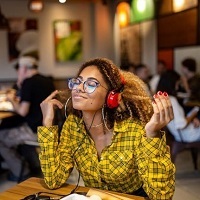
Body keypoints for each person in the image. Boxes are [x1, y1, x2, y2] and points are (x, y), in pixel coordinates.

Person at [38, 58, 175, 199]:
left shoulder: (133, 129)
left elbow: (162, 196)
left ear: (112, 96)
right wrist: (47, 123)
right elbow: (53, 179)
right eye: (77, 82)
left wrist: (152, 135)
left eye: (91, 84)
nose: (78, 88)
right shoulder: (72, 125)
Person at [0, 56, 55, 181]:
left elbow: (23, 111)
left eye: (19, 68)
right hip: (48, 129)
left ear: (24, 68)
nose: (18, 71)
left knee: (0, 137)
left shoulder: (28, 82)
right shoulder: (47, 80)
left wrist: (11, 99)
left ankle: (21, 171)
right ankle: (35, 166)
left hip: (33, 131)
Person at [156, 70, 200, 143]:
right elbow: (182, 124)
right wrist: (194, 113)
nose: (177, 88)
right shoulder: (171, 100)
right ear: (171, 84)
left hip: (180, 135)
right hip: (188, 135)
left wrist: (192, 118)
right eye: (176, 84)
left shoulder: (161, 99)